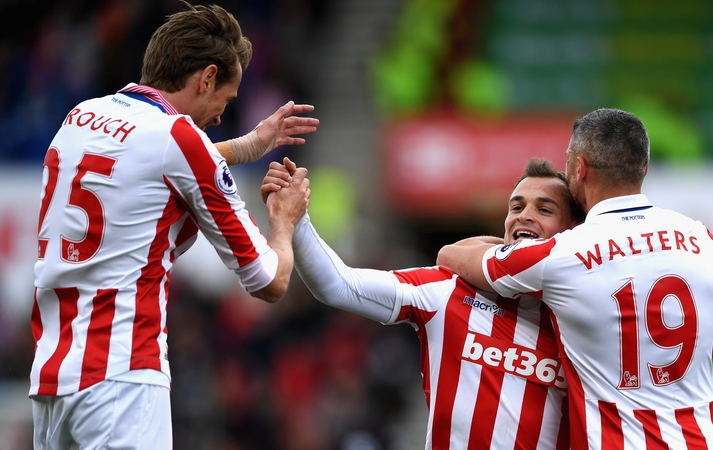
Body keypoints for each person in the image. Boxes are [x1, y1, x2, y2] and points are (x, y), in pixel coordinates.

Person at [29, 3, 314, 449]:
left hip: (50, 382)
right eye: (227, 96)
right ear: (205, 78)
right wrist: (284, 219)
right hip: (122, 378)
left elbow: (156, 164)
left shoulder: (80, 118)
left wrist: (249, 145)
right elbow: (269, 279)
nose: (222, 114)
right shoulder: (178, 139)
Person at [437, 108, 713, 449]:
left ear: (579, 168)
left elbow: (452, 256)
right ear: (643, 169)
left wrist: (516, 248)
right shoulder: (703, 241)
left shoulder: (561, 254)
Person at [263, 156, 584, 449]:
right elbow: (339, 286)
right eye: (516, 207)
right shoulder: (448, 288)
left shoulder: (586, 315)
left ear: (573, 232)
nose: (524, 216)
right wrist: (297, 220)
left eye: (544, 209)